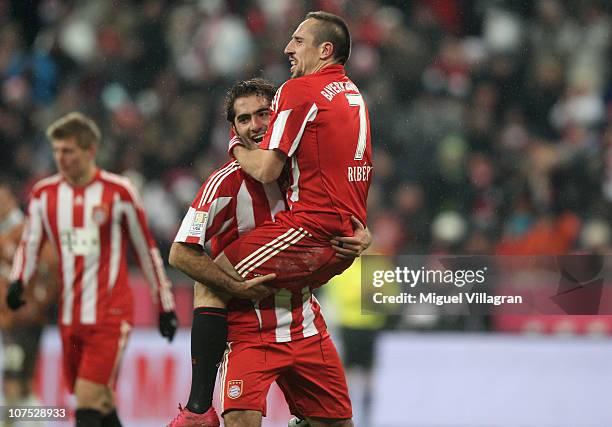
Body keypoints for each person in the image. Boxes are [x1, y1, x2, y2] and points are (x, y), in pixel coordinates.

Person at [168, 79, 368, 427]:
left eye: (263, 114)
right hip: (250, 330)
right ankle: (198, 408)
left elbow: (344, 215)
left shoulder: (306, 169)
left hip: (304, 322)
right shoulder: (224, 184)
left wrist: (362, 236)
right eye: (244, 119)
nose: (255, 125)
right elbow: (181, 253)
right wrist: (235, 288)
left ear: (279, 117)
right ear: (234, 129)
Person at [6, 112, 178, 427]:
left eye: (68, 151)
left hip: (110, 316)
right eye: (56, 150)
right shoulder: (45, 195)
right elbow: (29, 245)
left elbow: (146, 251)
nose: (60, 158)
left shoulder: (119, 192)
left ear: (89, 151)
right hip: (70, 317)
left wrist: (165, 305)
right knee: (99, 402)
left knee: (86, 402)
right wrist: (18, 282)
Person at [0, 180, 58, 426]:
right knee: (20, 380)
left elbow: (50, 269)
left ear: (12, 201)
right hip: (13, 318)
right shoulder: (9, 233)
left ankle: (24, 422)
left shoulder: (24, 233)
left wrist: (37, 303)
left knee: (15, 380)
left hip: (22, 318)